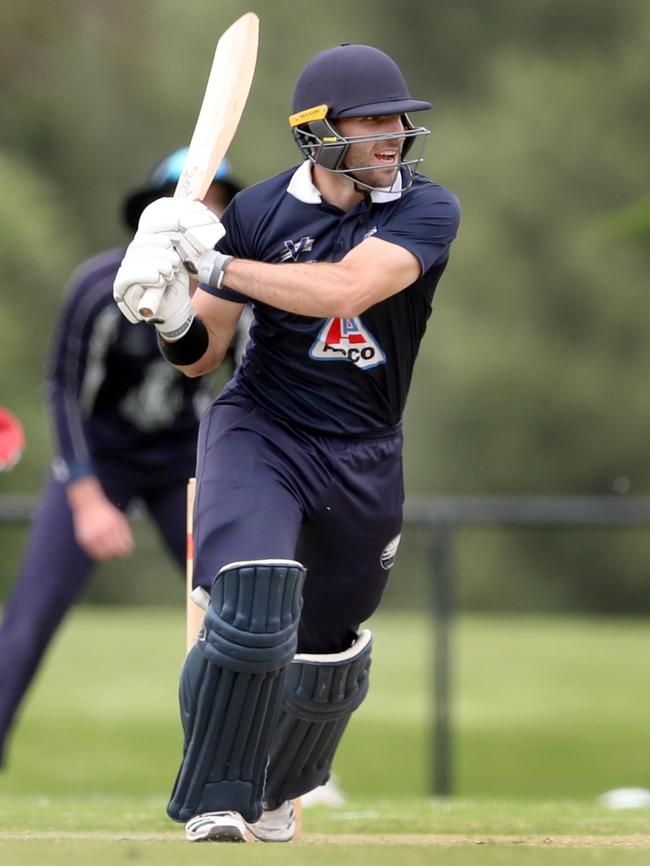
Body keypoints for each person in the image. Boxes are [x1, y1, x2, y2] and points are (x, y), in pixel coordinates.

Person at [113, 43, 461, 843]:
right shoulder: (261, 211)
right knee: (254, 601)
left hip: (365, 448)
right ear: (319, 133)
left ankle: (278, 792)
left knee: (328, 653)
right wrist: (170, 308)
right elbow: (204, 352)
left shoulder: (427, 208)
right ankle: (215, 794)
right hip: (261, 430)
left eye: (396, 122)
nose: (390, 137)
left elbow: (345, 288)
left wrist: (213, 261)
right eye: (370, 122)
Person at [0, 151, 246, 767]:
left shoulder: (232, 298)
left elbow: (248, 388)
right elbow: (61, 388)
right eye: (195, 202)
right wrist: (86, 497)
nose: (205, 216)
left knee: (243, 598)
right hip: (99, 457)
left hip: (181, 456)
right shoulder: (97, 288)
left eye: (218, 204)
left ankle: (276, 762)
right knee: (32, 615)